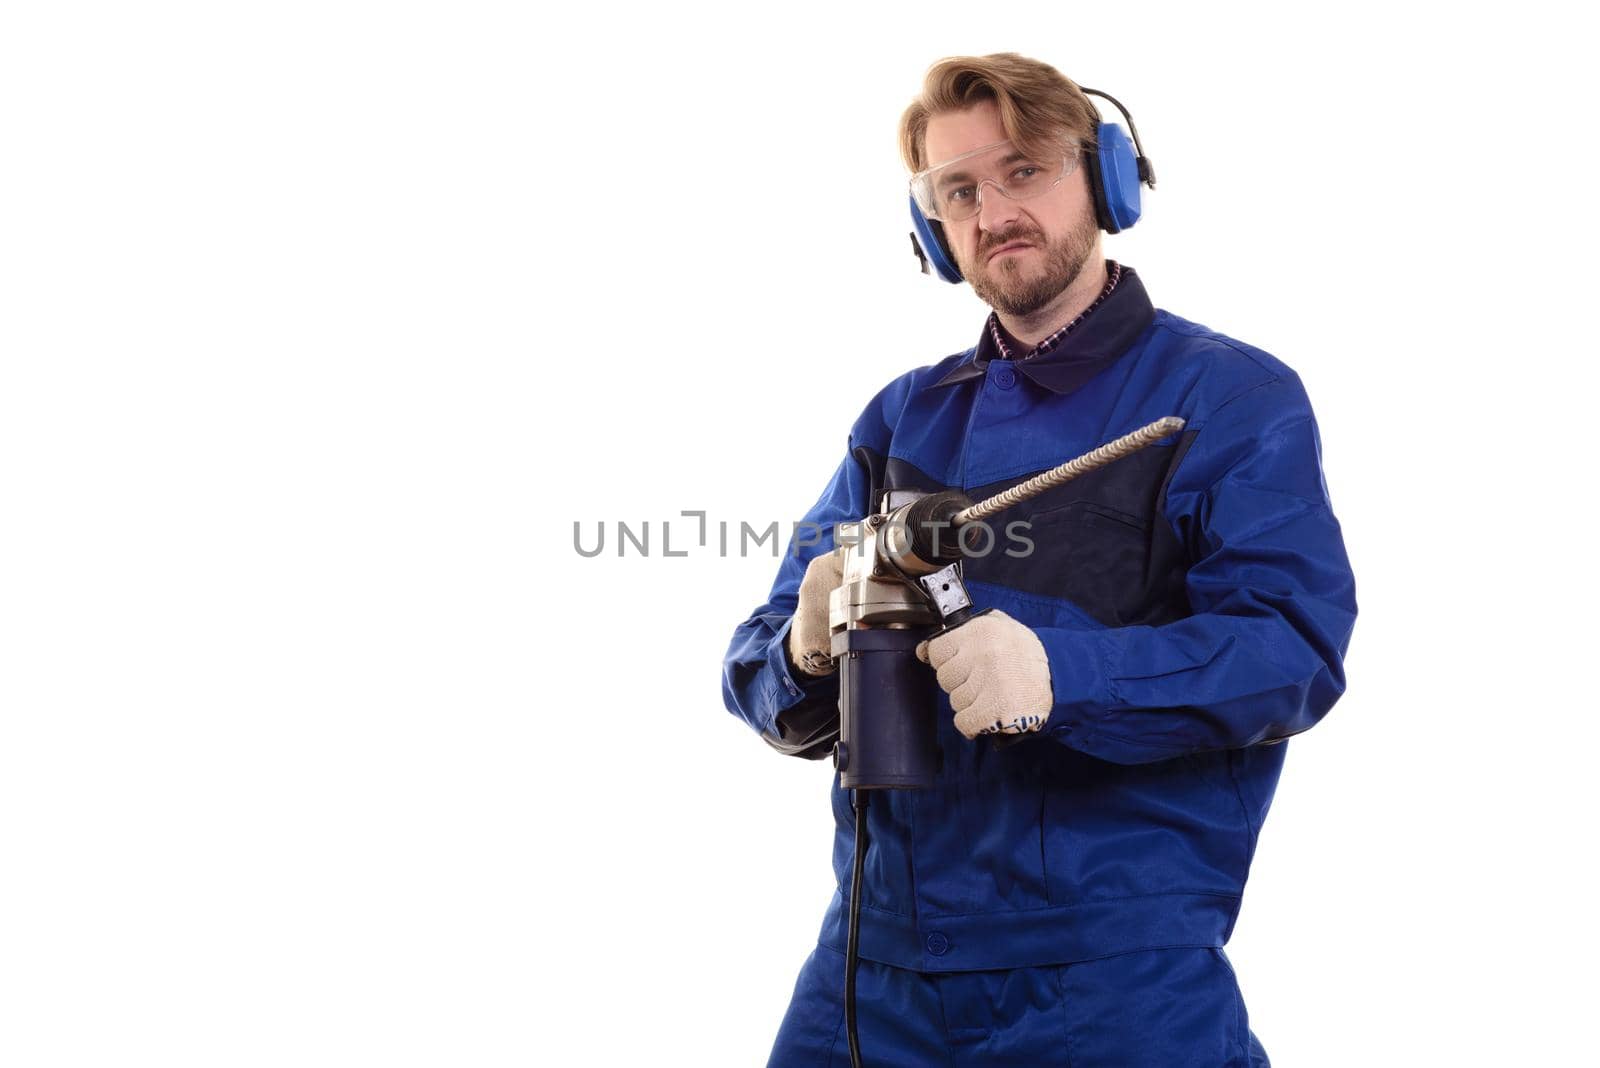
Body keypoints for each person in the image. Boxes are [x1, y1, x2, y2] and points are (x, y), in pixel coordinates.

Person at [721, 52, 1357, 1067]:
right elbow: (762, 683)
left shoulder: (1224, 400)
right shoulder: (901, 416)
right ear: (931, 227)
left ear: (1102, 178)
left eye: (1023, 171)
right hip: (870, 970)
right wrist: (800, 648)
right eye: (958, 190)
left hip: (1106, 980)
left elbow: (1291, 649)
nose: (993, 211)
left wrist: (1067, 675)